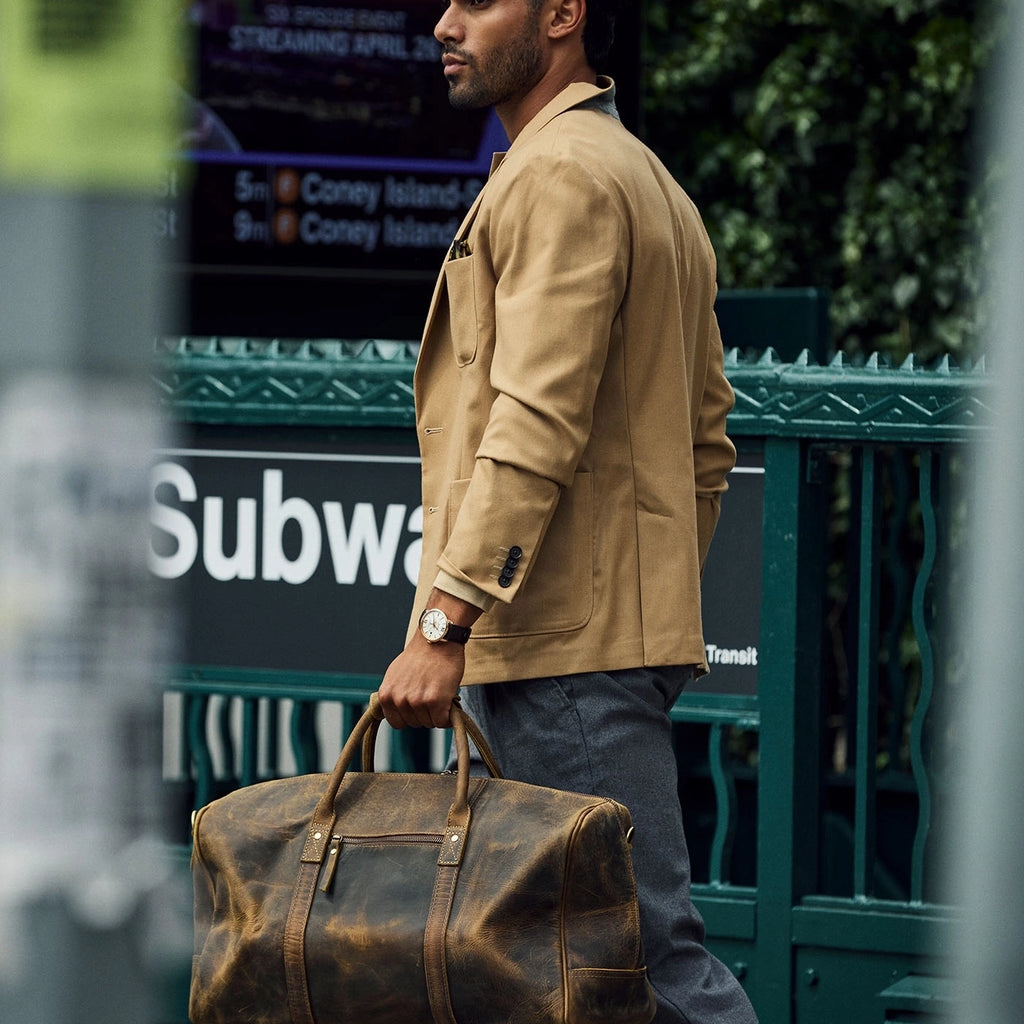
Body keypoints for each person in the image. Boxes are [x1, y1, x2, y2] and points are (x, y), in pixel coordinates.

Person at [379, 2, 758, 1022]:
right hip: (581, 641)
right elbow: (707, 439)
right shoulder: (641, 176)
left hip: (556, 653)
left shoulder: (560, 177)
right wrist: (639, 601)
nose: (445, 25)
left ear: (561, 14)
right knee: (546, 972)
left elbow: (534, 419)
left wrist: (443, 622)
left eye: (478, 1)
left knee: (639, 964)